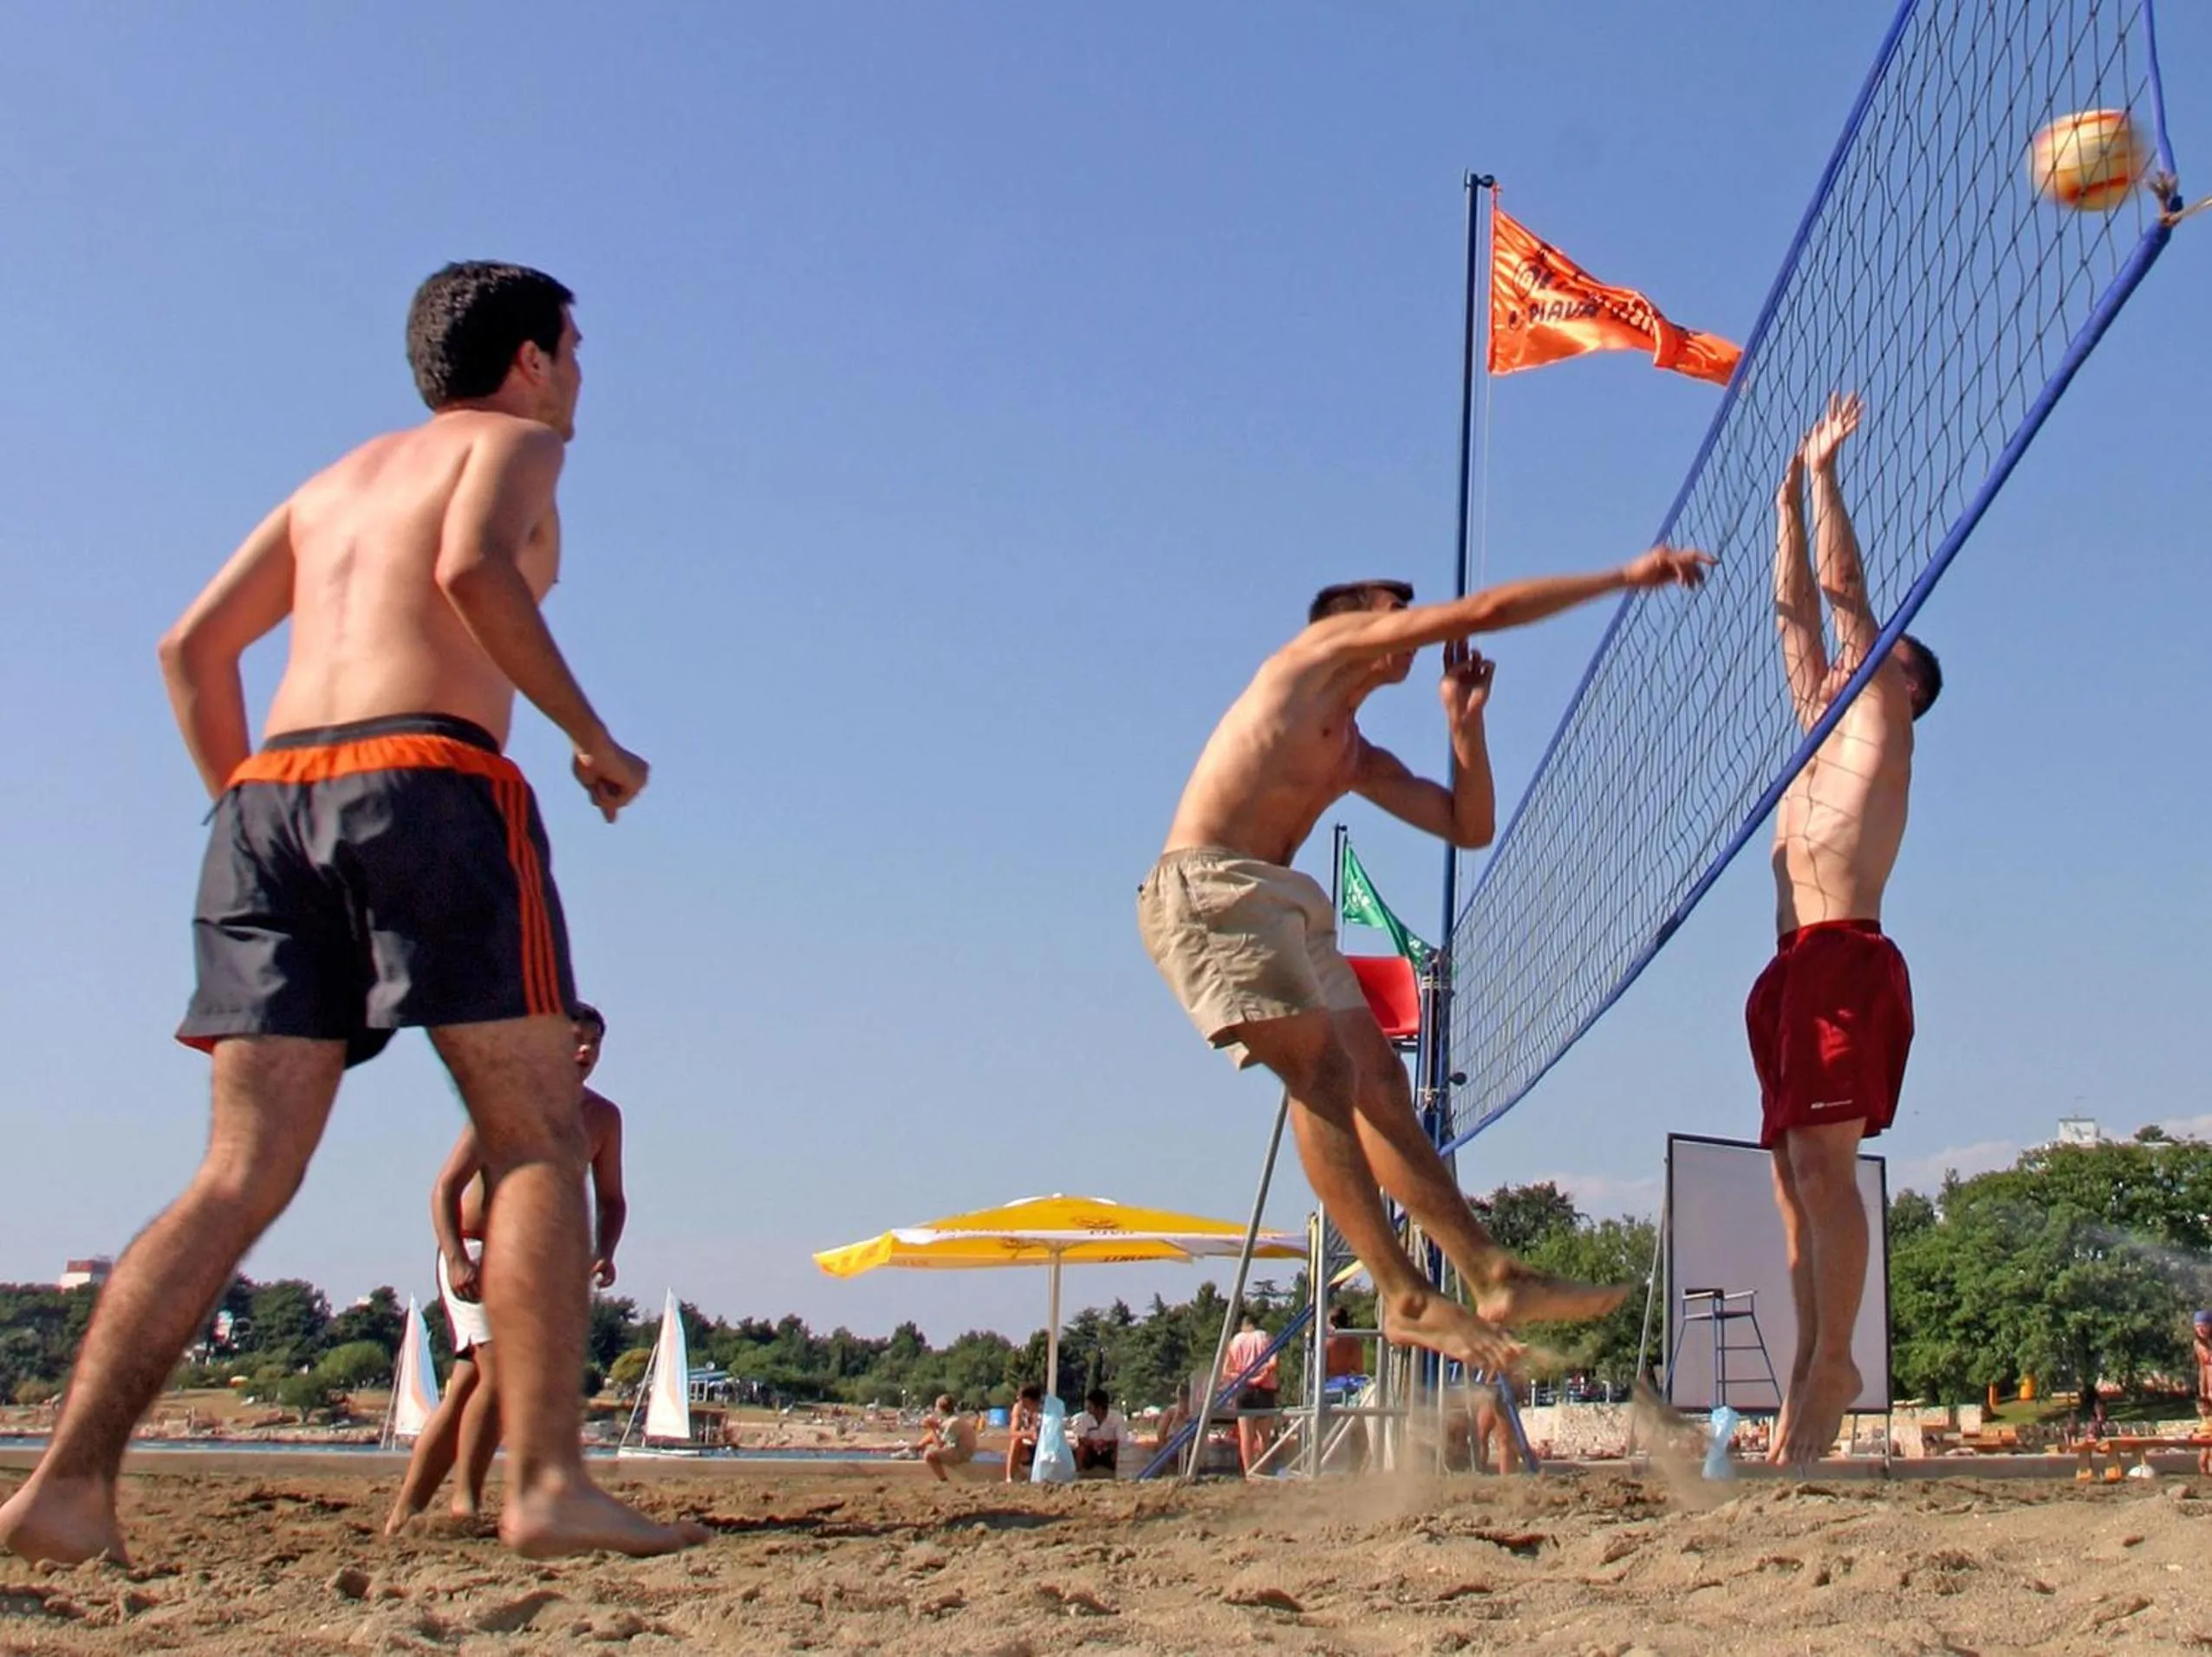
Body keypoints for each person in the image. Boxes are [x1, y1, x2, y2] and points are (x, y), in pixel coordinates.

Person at [0, 263, 698, 1565]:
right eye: (578, 347)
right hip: (429, 778)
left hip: (271, 798)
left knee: (240, 1170)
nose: (584, 375)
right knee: (539, 1134)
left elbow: (191, 653)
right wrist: (592, 739)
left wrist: (261, 826)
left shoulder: (331, 483)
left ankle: (64, 1492)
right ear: (532, 361)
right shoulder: (517, 446)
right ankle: (547, 1485)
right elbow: (470, 567)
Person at [1139, 548, 1710, 1376]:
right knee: (1325, 1078)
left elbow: (1466, 826)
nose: (1413, 619)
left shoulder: (1352, 751)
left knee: (1379, 1082)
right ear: (1359, 613)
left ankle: (1491, 1274)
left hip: (1280, 900)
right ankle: (1401, 1295)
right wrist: (1625, 578)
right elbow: (1482, 612)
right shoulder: (1308, 661)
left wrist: (1463, 726)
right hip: (1211, 887)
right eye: (1397, 606)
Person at [1754, 392, 1942, 1469]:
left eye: (1870, 661)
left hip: (1842, 957)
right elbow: (1793, 616)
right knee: (1792, 1183)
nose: (1838, 665)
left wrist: (1824, 478)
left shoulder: (1877, 721)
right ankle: (1807, 1370)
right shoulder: (1817, 729)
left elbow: (1839, 595)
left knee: (1823, 1169)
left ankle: (1838, 1359)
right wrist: (1781, 503)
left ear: (1901, 687)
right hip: (1787, 970)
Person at [385, 1004, 626, 1532]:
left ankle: (406, 1510)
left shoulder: (602, 1117)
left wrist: (605, 1250)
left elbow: (611, 1199)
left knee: (470, 1384)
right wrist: (455, 1258)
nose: (584, 1052)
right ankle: (464, 1504)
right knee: (498, 1375)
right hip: (475, 1255)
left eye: (594, 1044)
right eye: (574, 1040)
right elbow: (447, 1186)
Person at [1224, 1314, 1282, 1474]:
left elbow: (1227, 1371)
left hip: (1244, 1390)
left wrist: (1245, 1378)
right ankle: (1263, 1470)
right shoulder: (1266, 1337)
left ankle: (1249, 1473)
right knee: (1264, 1436)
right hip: (1265, 1388)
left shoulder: (1235, 1341)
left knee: (1246, 1437)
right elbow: (1273, 1363)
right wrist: (1261, 1377)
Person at [918, 1394, 978, 1482]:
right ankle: (913, 1447)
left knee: (929, 1455)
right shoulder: (953, 1419)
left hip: (963, 1453)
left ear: (940, 1409)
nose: (935, 1410)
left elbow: (941, 1445)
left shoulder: (953, 1422)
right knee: (928, 1444)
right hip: (962, 1449)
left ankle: (944, 1480)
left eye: (936, 1407)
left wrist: (933, 1427)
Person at [1070, 1388, 1128, 1477]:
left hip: (1109, 1449)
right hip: (1090, 1449)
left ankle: (1118, 1473)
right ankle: (1078, 1473)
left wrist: (1107, 1444)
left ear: (1099, 1408)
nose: (1087, 1408)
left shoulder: (1117, 1417)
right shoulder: (1083, 1417)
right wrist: (1093, 1443)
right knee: (1080, 1449)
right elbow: (1081, 1438)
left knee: (1119, 1451)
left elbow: (1122, 1440)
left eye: (1090, 1406)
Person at [1004, 1385, 1044, 1484]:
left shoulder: (1045, 1411)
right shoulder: (1018, 1409)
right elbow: (1013, 1432)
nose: (1019, 1402)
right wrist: (1029, 1433)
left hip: (1042, 1447)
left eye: (1021, 1399)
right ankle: (1010, 1477)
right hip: (1028, 1448)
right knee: (1015, 1441)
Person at [2195, 1311, 2212, 1476]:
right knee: (2207, 1428)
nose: (2200, 1329)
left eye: (2203, 1326)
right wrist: (2202, 1390)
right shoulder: (2198, 1344)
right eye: (2197, 1326)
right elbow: (2202, 1368)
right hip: (2209, 1389)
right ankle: (2204, 1467)